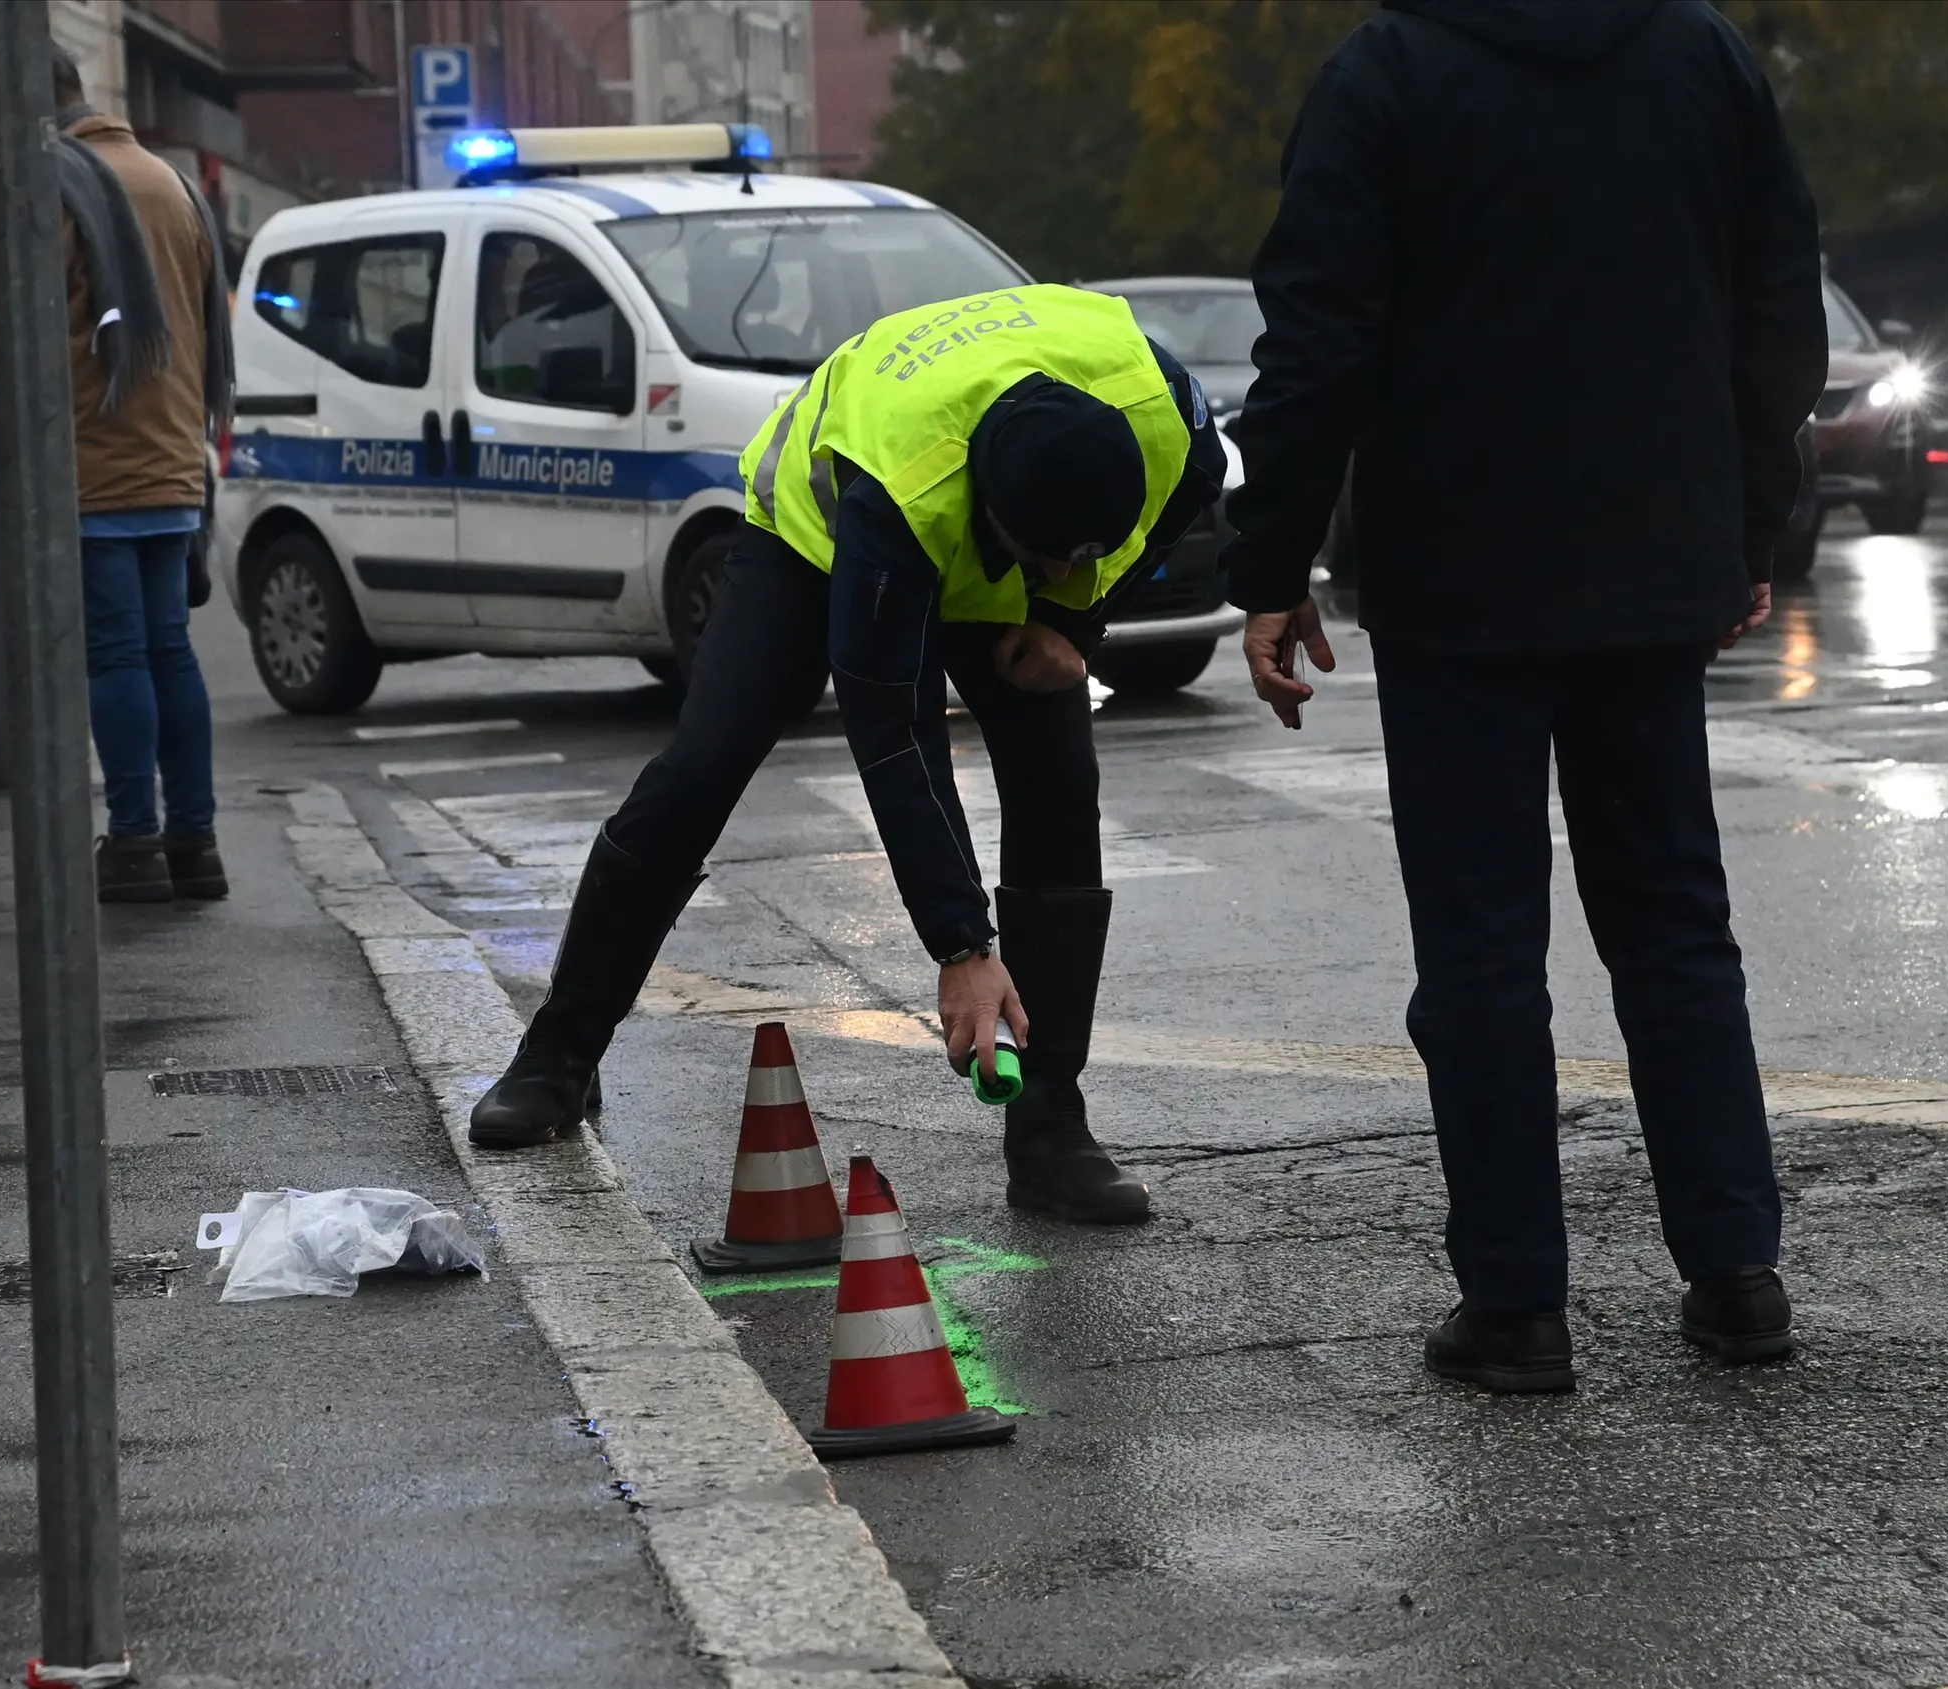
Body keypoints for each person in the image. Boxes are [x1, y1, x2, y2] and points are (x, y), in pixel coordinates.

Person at [1221, 0, 1828, 1389]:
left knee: (1483, 951)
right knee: (1676, 924)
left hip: (1460, 581)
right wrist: (1742, 527)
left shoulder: (1386, 73)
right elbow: (1778, 303)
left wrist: (1273, 561)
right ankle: (1738, 1277)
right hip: (1651, 565)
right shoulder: (1701, 55)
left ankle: (1517, 1305)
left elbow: (1320, 336)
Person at [469, 283, 1227, 1224]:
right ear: (990, 512)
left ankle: (1049, 1130)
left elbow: (1195, 488)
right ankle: (556, 1055)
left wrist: (1075, 617)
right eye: (1043, 559)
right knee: (701, 770)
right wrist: (962, 946)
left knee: (1061, 784)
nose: (1059, 574)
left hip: (973, 509)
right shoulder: (900, 492)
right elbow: (895, 733)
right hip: (812, 546)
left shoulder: (1163, 414)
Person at [0, 47, 233, 904]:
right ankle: (197, 840)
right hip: (175, 456)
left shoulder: (56, 185)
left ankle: (136, 841)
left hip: (96, 459)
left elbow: (5, 315)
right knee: (168, 652)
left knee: (115, 655)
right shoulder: (168, 180)